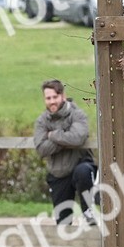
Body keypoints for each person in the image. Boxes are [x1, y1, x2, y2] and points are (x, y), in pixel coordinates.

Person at [33, 79, 97, 225]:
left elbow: (78, 138)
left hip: (80, 164)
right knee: (62, 223)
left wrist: (53, 135)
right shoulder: (42, 120)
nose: (52, 101)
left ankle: (88, 210)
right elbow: (41, 148)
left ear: (62, 95)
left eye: (55, 97)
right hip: (57, 172)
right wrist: (65, 138)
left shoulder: (77, 114)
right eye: (48, 98)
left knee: (84, 171)